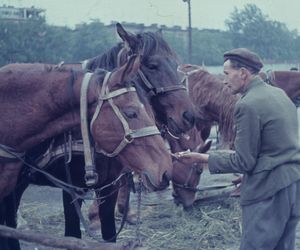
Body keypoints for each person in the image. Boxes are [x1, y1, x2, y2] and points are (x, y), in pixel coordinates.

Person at [175, 48, 300, 250]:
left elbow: (244, 161)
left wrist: (201, 157)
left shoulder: (247, 104)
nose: (223, 81)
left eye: (226, 74)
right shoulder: (279, 94)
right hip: (293, 186)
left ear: (242, 73)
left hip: (267, 190)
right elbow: (276, 146)